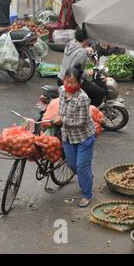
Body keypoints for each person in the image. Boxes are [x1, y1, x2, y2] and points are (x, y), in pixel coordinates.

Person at [52, 64, 96, 208]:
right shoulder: (61, 90)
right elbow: (59, 107)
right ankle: (87, 177)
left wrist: (62, 120)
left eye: (73, 83)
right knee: (71, 164)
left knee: (81, 166)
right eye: (67, 81)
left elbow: (80, 122)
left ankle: (86, 194)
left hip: (84, 137)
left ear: (80, 83)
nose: (69, 85)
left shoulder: (82, 98)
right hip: (68, 137)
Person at [57, 27, 108, 107]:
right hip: (70, 80)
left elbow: (76, 55)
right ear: (86, 39)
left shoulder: (70, 44)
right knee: (100, 93)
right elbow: (78, 71)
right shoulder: (82, 53)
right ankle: (86, 110)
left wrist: (85, 49)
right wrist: (88, 73)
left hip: (60, 77)